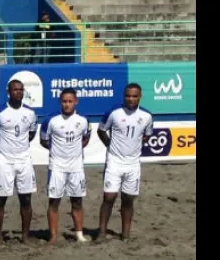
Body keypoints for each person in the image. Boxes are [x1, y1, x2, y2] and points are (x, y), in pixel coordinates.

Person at [96, 83, 155, 242]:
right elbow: (101, 130)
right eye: (128, 95)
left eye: (134, 96)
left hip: (133, 164)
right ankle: (101, 233)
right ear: (124, 96)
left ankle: (126, 235)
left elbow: (147, 134)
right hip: (114, 161)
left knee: (128, 200)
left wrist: (136, 146)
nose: (131, 99)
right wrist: (109, 145)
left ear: (140, 97)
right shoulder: (114, 112)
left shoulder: (147, 116)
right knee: (109, 197)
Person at [0, 79, 39, 244]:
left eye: (21, 89)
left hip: (24, 160)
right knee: (0, 199)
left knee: (26, 199)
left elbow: (31, 134)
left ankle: (25, 236)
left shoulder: (30, 113)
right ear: (8, 92)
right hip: (5, 160)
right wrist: (2, 150)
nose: (18, 92)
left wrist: (20, 147)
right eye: (15, 90)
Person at [40, 88, 91, 245]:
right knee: (54, 202)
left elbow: (86, 137)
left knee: (77, 201)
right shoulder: (51, 120)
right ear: (60, 102)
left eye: (70, 101)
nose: (67, 104)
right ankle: (53, 236)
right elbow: (43, 140)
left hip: (76, 167)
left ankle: (79, 234)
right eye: (64, 101)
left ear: (76, 102)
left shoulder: (83, 121)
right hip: (57, 167)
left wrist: (74, 152)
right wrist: (58, 152)